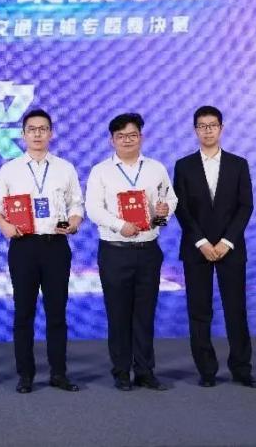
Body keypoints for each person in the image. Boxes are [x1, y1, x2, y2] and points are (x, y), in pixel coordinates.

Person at [0, 109, 84, 394]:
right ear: (23, 134)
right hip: (24, 246)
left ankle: (59, 373)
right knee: (23, 313)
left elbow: (76, 204)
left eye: (43, 129)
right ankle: (26, 375)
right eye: (32, 129)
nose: (38, 134)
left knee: (57, 313)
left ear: (51, 133)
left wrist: (74, 223)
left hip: (56, 245)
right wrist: (4, 225)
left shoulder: (65, 168)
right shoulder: (10, 169)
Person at [85, 112, 177, 391]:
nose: (127, 140)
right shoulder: (101, 171)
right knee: (118, 314)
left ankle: (145, 371)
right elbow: (93, 208)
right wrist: (119, 225)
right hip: (115, 250)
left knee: (145, 314)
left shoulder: (156, 169)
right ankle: (121, 372)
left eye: (132, 135)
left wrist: (163, 214)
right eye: (121, 136)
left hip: (148, 249)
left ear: (141, 137)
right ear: (112, 140)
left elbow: (170, 199)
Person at [174, 106, 256, 388]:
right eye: (202, 126)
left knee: (236, 310)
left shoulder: (238, 164)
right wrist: (201, 242)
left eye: (212, 125)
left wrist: (226, 242)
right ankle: (206, 371)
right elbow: (181, 209)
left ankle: (242, 369)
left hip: (230, 248)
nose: (207, 130)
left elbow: (245, 206)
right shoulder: (184, 166)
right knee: (199, 312)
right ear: (195, 130)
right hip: (196, 248)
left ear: (221, 128)